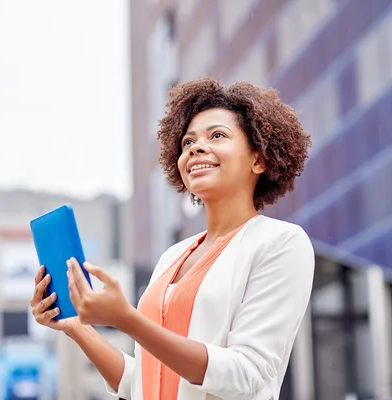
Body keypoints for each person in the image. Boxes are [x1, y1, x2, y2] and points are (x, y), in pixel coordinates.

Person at [30, 78, 315, 400]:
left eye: (217, 135)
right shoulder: (172, 257)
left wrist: (127, 319)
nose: (195, 147)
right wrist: (75, 327)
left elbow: (244, 374)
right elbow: (144, 382)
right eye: (187, 142)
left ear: (259, 159)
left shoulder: (281, 242)